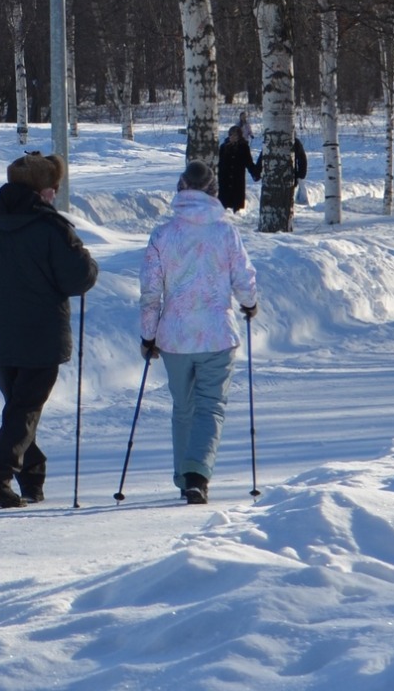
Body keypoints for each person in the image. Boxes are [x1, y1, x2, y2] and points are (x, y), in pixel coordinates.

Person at [0, 151, 98, 508]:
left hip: (0, 334)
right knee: (24, 410)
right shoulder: (51, 228)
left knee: (19, 408)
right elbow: (80, 278)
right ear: (40, 190)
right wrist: (86, 259)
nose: (54, 194)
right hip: (42, 335)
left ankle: (32, 475)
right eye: (51, 188)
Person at [139, 161, 258, 504]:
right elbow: (243, 276)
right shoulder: (225, 232)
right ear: (212, 191)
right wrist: (249, 303)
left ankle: (185, 475)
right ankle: (197, 475)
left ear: (181, 189)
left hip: (174, 337)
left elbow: (150, 292)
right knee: (210, 406)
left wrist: (149, 335)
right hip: (217, 335)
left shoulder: (163, 234)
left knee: (183, 406)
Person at [217, 125, 259, 213]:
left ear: (239, 136)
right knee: (223, 205)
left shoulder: (243, 147)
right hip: (225, 180)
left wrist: (255, 173)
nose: (232, 137)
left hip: (237, 180)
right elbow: (219, 163)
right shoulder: (223, 147)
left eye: (235, 135)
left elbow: (249, 162)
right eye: (231, 135)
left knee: (236, 206)